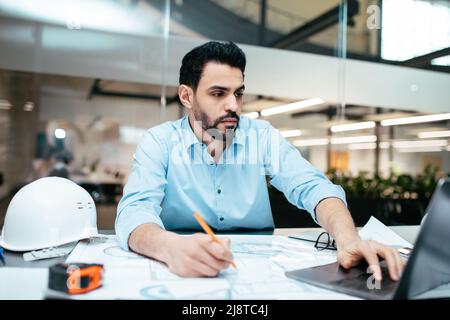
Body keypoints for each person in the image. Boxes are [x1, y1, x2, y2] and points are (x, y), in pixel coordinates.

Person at [116, 41, 404, 280]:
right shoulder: (159, 141)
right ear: (186, 96)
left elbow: (315, 188)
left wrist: (348, 238)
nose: (233, 105)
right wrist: (170, 247)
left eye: (238, 93)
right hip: (179, 267)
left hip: (257, 271)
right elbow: (134, 211)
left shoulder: (261, 136)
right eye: (218, 93)